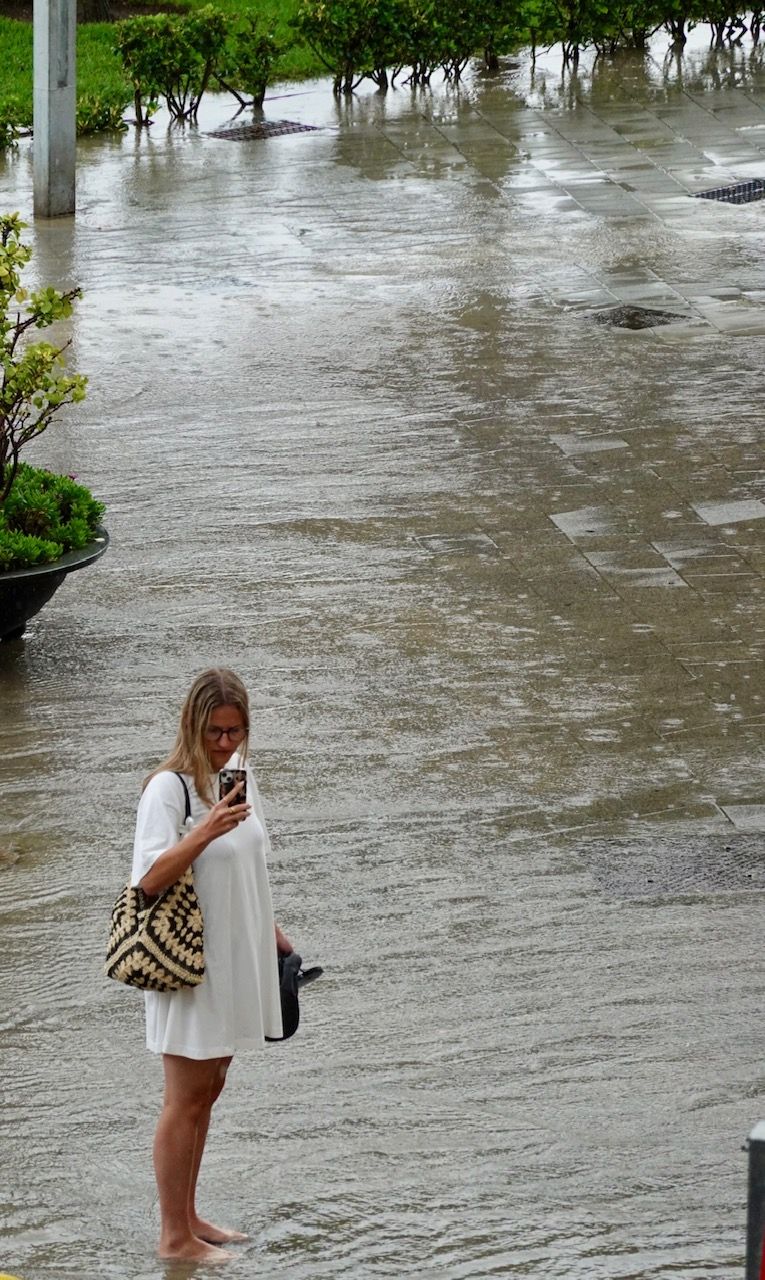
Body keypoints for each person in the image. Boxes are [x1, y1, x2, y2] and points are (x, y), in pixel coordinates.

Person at [130, 667, 292, 1264]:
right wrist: (205, 831)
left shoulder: (238, 779)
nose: (225, 742)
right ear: (192, 725)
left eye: (236, 730)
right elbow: (148, 880)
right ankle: (173, 1238)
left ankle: (191, 1216)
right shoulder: (167, 790)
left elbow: (252, 864)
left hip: (235, 958)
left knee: (212, 1086)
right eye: (215, 731)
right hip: (188, 965)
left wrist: (272, 934)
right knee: (185, 1096)